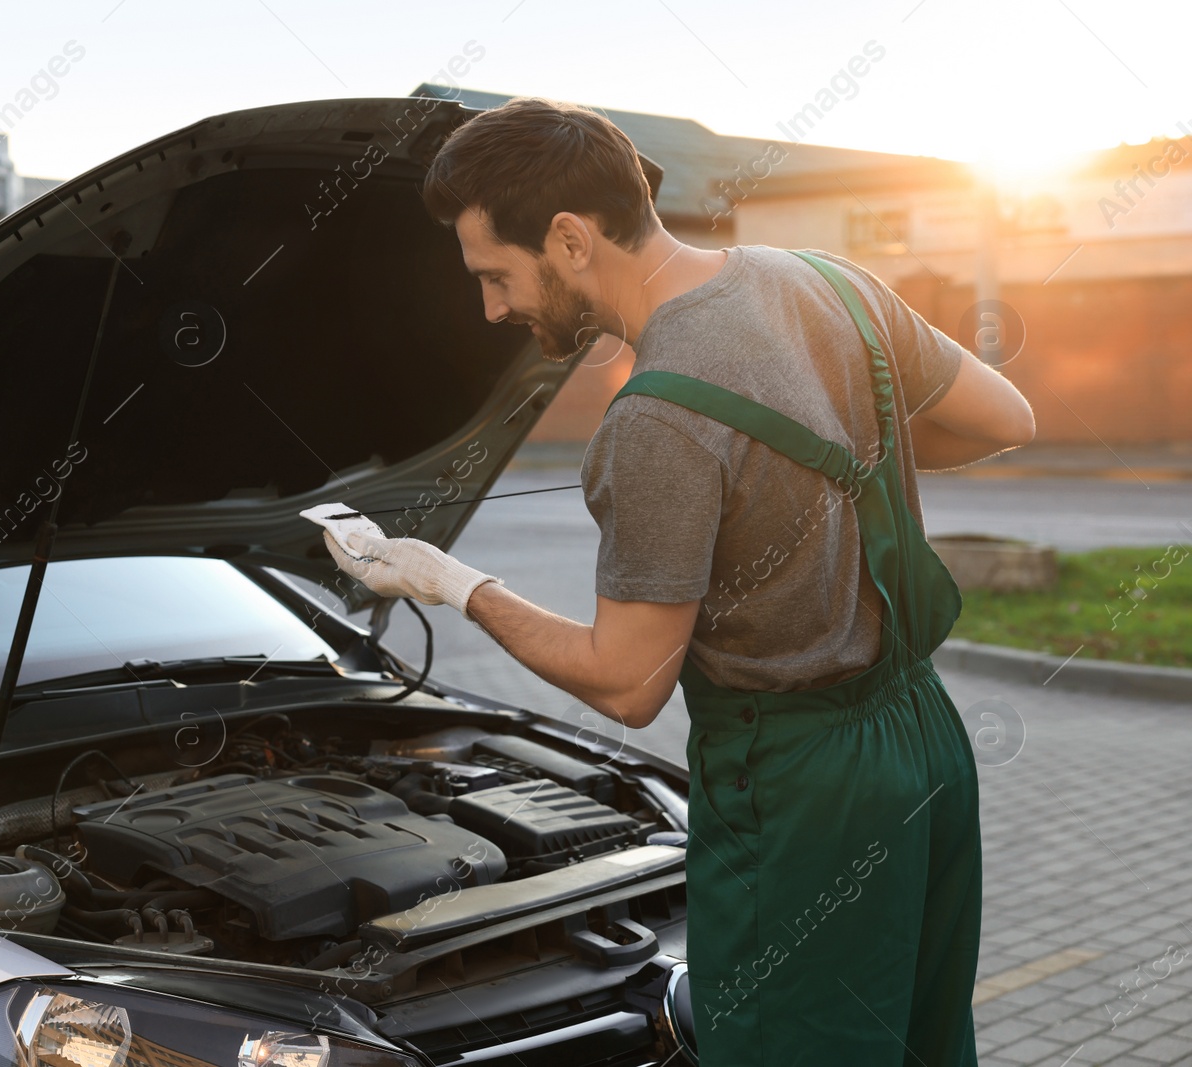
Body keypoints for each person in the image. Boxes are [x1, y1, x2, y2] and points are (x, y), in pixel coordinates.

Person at [319, 97, 1035, 1064]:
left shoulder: (653, 421)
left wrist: (454, 583)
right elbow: (1005, 418)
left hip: (796, 789)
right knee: (925, 1045)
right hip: (923, 745)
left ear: (570, 239)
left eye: (496, 275)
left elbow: (628, 681)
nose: (492, 309)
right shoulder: (828, 281)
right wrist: (840, 457)